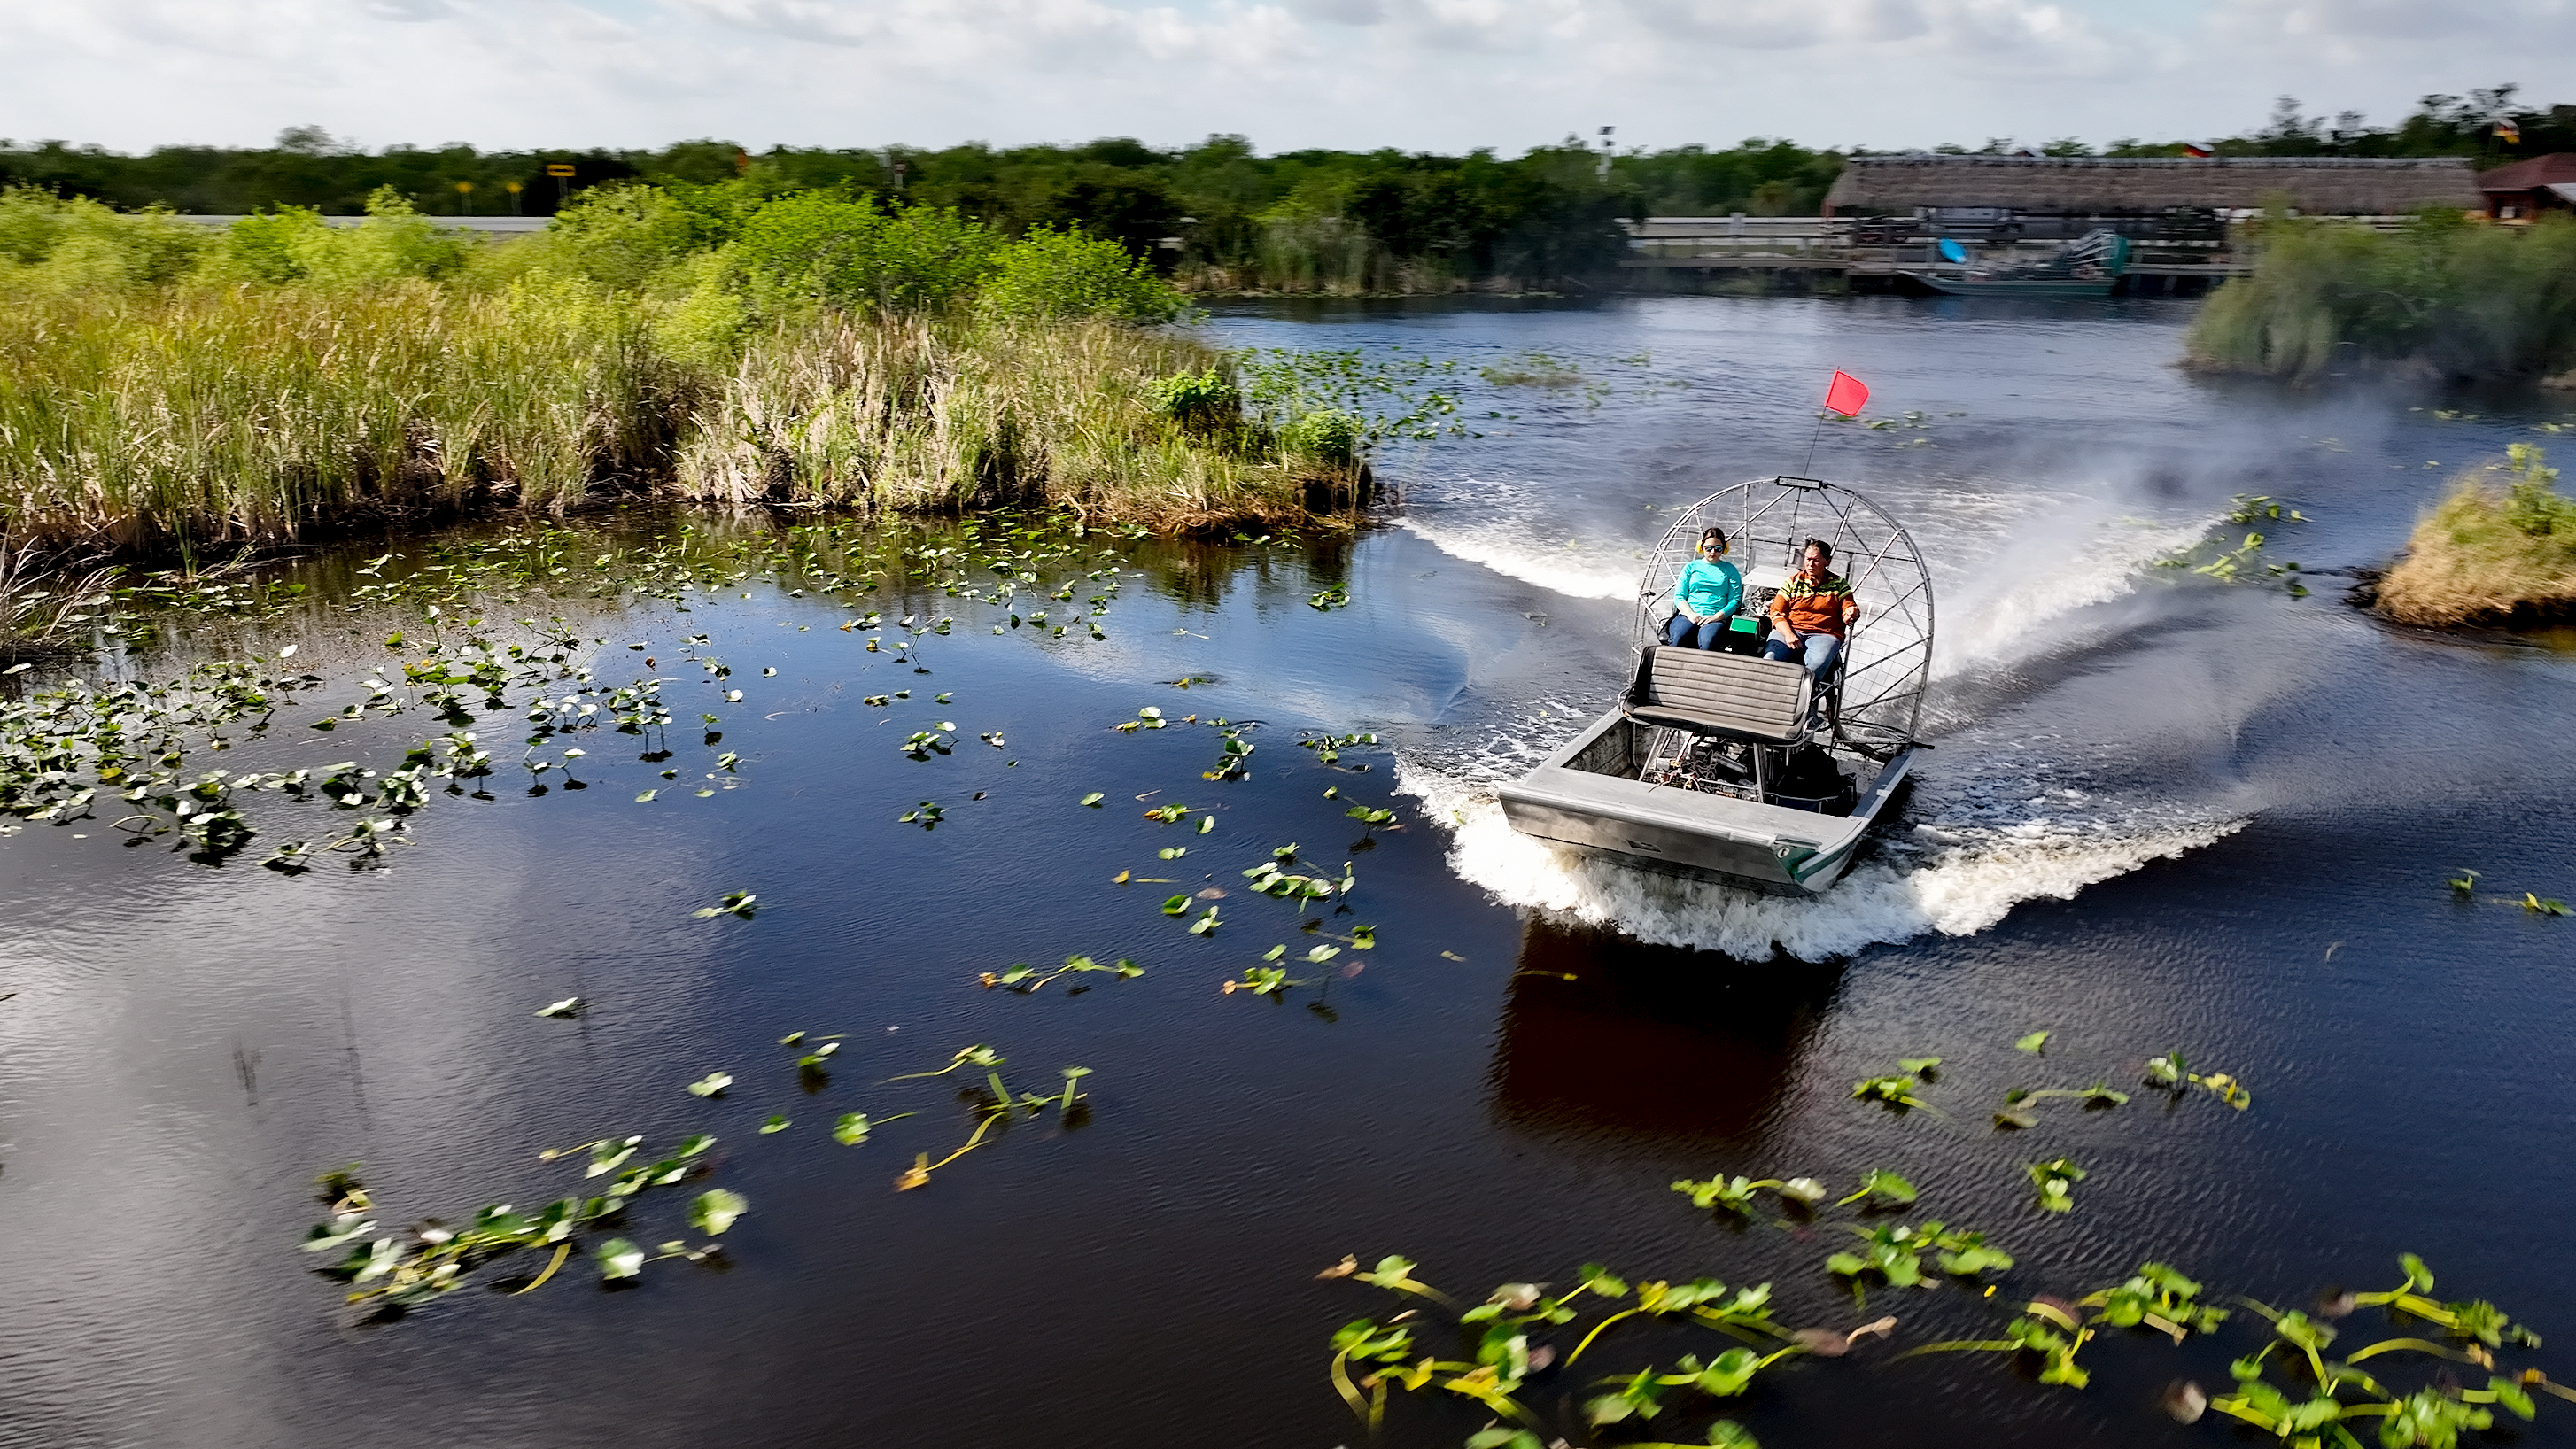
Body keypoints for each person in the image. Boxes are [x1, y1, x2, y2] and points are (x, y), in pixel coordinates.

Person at [1765, 537, 1859, 678]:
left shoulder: (1839, 584)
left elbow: (1848, 609)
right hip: (1790, 629)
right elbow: (1777, 613)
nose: (1810, 564)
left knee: (1814, 669)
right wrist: (1789, 635)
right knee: (1769, 661)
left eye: (1815, 560)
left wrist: (1852, 613)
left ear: (1827, 561)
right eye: (1808, 559)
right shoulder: (1792, 582)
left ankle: (1808, 696)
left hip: (1825, 634)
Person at [1660, 528, 1743, 650]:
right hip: (1687, 615)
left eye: (1718, 548)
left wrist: (1716, 617)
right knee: (1679, 638)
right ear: (1701, 547)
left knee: (1708, 642)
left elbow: (1735, 601)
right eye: (1708, 548)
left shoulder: (1730, 570)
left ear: (1724, 549)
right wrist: (1690, 614)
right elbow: (1679, 596)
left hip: (1715, 618)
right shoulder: (1691, 567)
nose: (1713, 552)